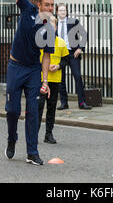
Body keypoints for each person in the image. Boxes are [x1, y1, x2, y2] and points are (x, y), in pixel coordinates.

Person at [0, 0, 54, 166]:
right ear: (39, 5)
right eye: (47, 4)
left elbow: (47, 57)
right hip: (15, 67)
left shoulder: (48, 30)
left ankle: (32, 152)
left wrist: (44, 80)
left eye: (52, 5)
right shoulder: (28, 10)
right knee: (12, 110)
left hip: (32, 70)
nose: (50, 8)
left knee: (33, 112)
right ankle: (12, 139)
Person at [38, 15, 69, 144]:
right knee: (39, 107)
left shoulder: (61, 43)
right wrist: (44, 66)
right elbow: (34, 60)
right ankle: (34, 132)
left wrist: (58, 66)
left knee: (51, 108)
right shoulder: (39, 42)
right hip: (41, 79)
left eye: (53, 26)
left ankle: (48, 134)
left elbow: (66, 59)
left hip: (55, 79)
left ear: (56, 27)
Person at [55, 3, 92, 110]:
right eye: (60, 10)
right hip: (60, 55)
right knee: (61, 80)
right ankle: (64, 103)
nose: (62, 12)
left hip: (72, 54)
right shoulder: (54, 23)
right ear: (57, 12)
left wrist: (80, 48)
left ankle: (81, 102)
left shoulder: (73, 22)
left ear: (67, 11)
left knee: (77, 77)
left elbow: (84, 34)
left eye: (64, 10)